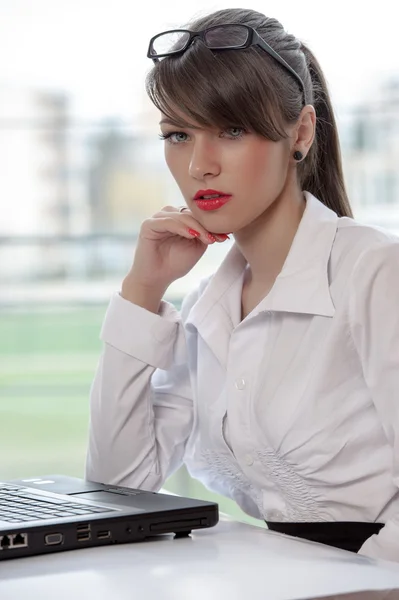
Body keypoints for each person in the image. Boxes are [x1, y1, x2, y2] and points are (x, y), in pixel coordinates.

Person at [86, 8, 399, 562]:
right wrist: (142, 289)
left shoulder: (374, 273)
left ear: (300, 132)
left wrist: (353, 585)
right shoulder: (210, 305)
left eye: (231, 130)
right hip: (262, 575)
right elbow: (119, 487)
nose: (200, 165)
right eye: (178, 134)